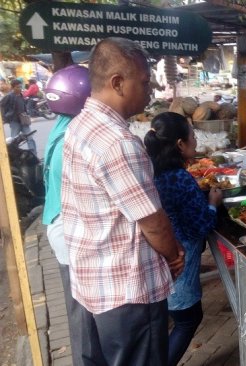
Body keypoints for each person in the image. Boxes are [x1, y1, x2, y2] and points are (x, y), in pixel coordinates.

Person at [60, 37, 184, 365]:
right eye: (144, 82)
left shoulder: (79, 126)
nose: (150, 89)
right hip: (127, 291)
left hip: (93, 282)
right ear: (117, 83)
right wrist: (174, 256)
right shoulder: (118, 143)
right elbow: (153, 223)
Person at [144, 112, 222, 365]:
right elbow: (201, 226)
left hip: (157, 259)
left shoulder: (151, 170)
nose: (196, 140)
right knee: (188, 319)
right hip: (179, 258)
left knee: (172, 317)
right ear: (180, 144)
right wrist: (212, 203)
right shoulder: (178, 178)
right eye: (192, 135)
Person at [42, 64, 94, 366]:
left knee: (83, 310)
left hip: (60, 228)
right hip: (69, 235)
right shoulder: (69, 144)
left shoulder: (62, 127)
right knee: (83, 315)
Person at [1, 79, 36, 153]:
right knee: (14, 141)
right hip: (14, 122)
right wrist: (4, 117)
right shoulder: (9, 96)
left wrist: (27, 115)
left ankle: (34, 156)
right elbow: (1, 105)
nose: (20, 89)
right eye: (17, 87)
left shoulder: (21, 95)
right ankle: (14, 157)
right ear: (13, 87)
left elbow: (24, 107)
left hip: (24, 121)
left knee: (30, 138)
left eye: (20, 87)